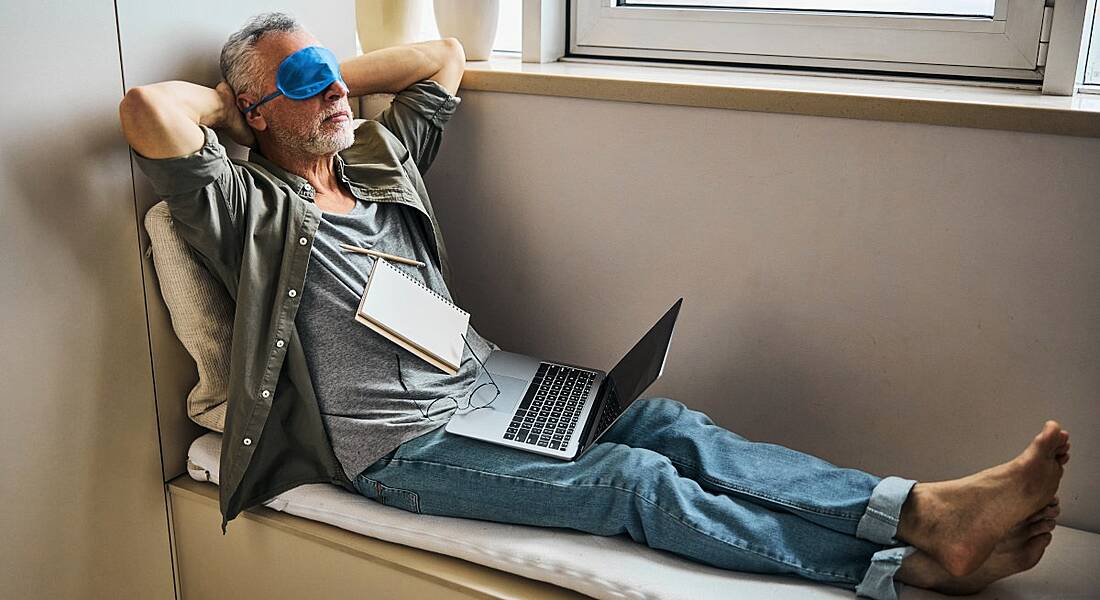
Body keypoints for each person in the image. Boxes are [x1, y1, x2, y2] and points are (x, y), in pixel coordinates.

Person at [119, 13, 1071, 600]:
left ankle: (919, 509)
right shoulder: (245, 208)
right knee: (634, 485)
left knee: (664, 423)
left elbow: (442, 57)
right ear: (251, 114)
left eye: (329, 72)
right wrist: (238, 95)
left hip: (484, 388)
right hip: (400, 449)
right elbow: (149, 114)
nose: (330, 90)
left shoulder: (373, 162)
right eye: (300, 84)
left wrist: (320, 77)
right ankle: (904, 568)